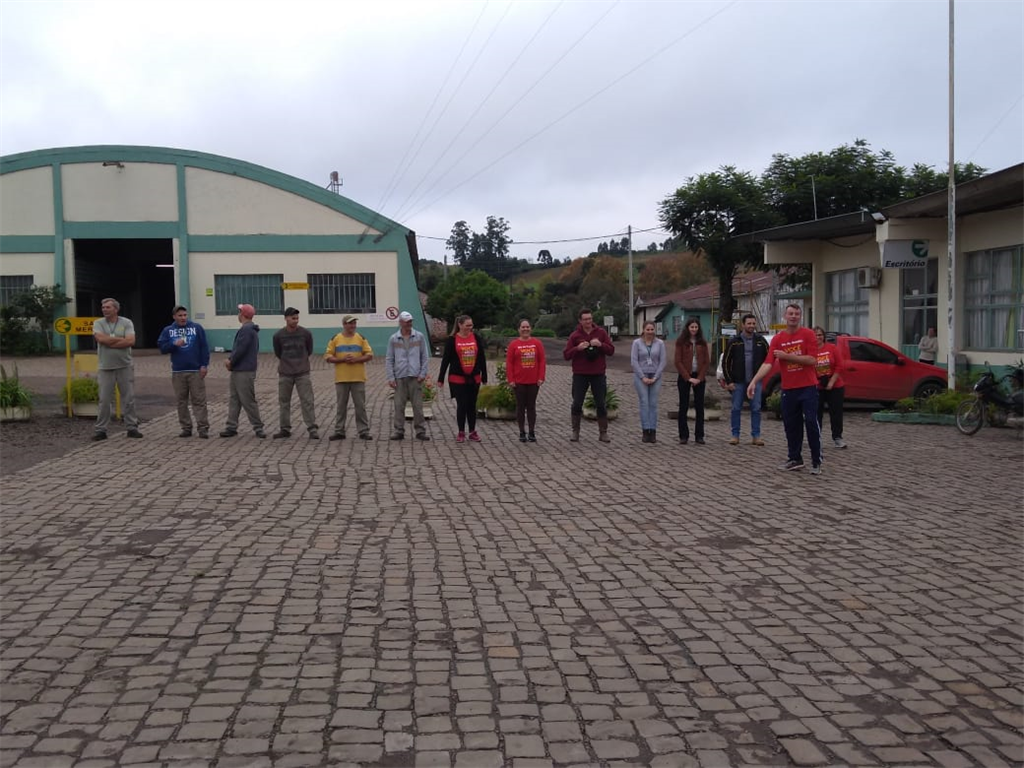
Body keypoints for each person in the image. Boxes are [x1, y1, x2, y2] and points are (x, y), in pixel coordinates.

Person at [748, 304, 822, 474]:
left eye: (796, 314)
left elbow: (812, 360)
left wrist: (787, 356)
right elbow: (768, 363)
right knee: (791, 425)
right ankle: (795, 459)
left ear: (800, 316)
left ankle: (816, 461)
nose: (793, 316)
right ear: (785, 316)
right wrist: (754, 381)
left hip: (808, 387)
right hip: (788, 389)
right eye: (791, 313)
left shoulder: (808, 334)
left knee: (811, 422)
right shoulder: (778, 339)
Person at [91, 297, 142, 441]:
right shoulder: (98, 323)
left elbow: (131, 341)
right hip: (105, 367)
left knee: (129, 398)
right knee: (104, 400)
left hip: (125, 365)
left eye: (108, 307)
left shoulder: (126, 322)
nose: (104, 309)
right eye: (103, 307)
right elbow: (100, 339)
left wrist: (110, 342)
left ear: (116, 309)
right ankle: (101, 430)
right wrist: (121, 340)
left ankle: (132, 427)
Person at [157, 305, 210, 439]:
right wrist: (174, 344)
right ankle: (186, 427)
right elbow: (162, 348)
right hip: (178, 372)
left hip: (195, 371)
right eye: (180, 315)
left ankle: (203, 427)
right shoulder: (168, 330)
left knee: (199, 400)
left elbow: (204, 347)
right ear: (174, 317)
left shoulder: (197, 328)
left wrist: (204, 365)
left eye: (185, 315)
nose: (183, 318)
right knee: (181, 401)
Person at [563, 308, 615, 443]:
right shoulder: (575, 335)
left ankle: (603, 432)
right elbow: (566, 355)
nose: (588, 321)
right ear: (580, 321)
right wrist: (577, 348)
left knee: (601, 403)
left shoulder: (601, 333)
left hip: (598, 374)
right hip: (580, 374)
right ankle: (575, 431)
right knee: (577, 403)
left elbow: (611, 351)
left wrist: (601, 344)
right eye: (585, 319)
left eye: (590, 319)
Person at [438, 315, 488, 443]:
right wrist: (441, 378)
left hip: (474, 377)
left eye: (471, 325)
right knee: (462, 404)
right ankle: (461, 431)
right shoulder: (452, 340)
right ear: (460, 325)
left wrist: (484, 375)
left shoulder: (476, 338)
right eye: (467, 325)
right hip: (457, 378)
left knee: (472, 405)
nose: (470, 328)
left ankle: (472, 431)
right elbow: (446, 360)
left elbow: (481, 357)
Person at [721, 313, 769, 446]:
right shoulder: (734, 341)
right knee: (736, 408)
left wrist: (763, 375)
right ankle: (735, 435)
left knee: (756, 408)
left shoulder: (760, 341)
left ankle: (756, 436)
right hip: (738, 381)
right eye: (749, 323)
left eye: (753, 323)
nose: (751, 326)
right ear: (743, 325)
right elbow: (726, 362)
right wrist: (729, 381)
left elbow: (769, 359)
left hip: (755, 381)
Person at [324, 314, 373, 440]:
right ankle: (339, 431)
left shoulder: (361, 338)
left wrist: (356, 359)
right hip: (341, 378)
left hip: (358, 378)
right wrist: (342, 360)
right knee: (341, 406)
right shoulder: (336, 338)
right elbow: (328, 356)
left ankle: (363, 431)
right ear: (344, 325)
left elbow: (369, 355)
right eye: (350, 323)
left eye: (354, 323)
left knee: (360, 406)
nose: (353, 325)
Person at [220, 303, 266, 438]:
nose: (238, 314)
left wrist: (231, 361)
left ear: (243, 314)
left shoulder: (246, 330)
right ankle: (231, 426)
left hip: (243, 370)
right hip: (240, 369)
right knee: (235, 399)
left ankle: (258, 427)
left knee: (247, 400)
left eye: (239, 312)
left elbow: (240, 349)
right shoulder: (250, 329)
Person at [271, 307, 318, 440]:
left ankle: (312, 428)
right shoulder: (278, 335)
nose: (295, 321)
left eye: (297, 318)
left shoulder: (306, 334)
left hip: (302, 372)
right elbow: (278, 352)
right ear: (286, 318)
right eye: (293, 318)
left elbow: (309, 350)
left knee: (307, 401)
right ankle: (285, 428)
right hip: (285, 373)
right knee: (284, 401)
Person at [385, 310, 431, 441]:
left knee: (418, 406)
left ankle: (420, 431)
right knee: (399, 406)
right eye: (406, 322)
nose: (409, 324)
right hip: (400, 376)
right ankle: (399, 430)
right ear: (400, 322)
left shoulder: (419, 337)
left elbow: (424, 356)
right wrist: (391, 377)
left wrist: (423, 373)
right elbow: (389, 359)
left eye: (410, 321)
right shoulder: (394, 338)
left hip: (415, 376)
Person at [505, 318, 547, 443]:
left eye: (527, 327)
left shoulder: (537, 343)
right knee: (520, 407)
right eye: (523, 327)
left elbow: (542, 361)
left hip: (533, 381)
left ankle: (532, 431)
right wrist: (511, 379)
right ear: (518, 329)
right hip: (519, 381)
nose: (525, 329)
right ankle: (522, 431)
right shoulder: (513, 344)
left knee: (531, 406)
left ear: (531, 328)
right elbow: (509, 363)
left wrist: (541, 377)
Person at [674, 317, 710, 445]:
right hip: (685, 376)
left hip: (699, 377)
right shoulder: (681, 342)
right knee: (683, 406)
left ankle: (699, 435)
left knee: (699, 406)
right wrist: (688, 377)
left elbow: (706, 362)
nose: (694, 329)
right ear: (687, 328)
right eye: (692, 327)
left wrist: (699, 378)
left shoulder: (702, 343)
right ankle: (683, 435)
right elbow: (677, 361)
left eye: (696, 327)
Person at [630, 321, 666, 443]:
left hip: (655, 375)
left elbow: (662, 361)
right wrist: (642, 377)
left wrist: (656, 376)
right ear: (643, 330)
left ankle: (653, 430)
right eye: (648, 329)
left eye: (652, 329)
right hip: (642, 375)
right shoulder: (637, 343)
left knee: (653, 403)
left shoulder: (660, 343)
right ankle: (645, 430)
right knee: (644, 402)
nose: (650, 332)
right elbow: (634, 361)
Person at [814, 326, 847, 449]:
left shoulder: (832, 348)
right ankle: (816, 437)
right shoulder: (810, 351)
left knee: (836, 413)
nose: (818, 337)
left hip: (835, 385)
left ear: (824, 336)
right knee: (816, 413)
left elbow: (839, 366)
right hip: (817, 385)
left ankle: (837, 437)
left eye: (820, 335)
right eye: (815, 335)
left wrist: (831, 382)